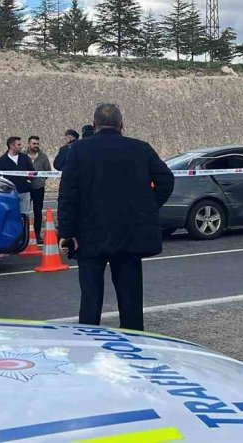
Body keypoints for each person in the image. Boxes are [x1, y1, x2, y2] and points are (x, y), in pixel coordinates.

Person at [57, 103, 174, 331]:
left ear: (94, 125)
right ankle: (134, 350)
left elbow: (67, 194)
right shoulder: (140, 148)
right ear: (122, 125)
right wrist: (147, 206)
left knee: (90, 300)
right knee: (131, 302)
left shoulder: (79, 150)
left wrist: (67, 233)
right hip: (129, 235)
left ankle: (88, 349)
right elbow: (166, 180)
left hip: (88, 235)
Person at [0, 136, 34, 216]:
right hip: (10, 194)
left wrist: (29, 181)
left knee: (25, 217)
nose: (21, 146)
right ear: (11, 146)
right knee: (11, 216)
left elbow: (32, 171)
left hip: (24, 192)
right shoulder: (2, 160)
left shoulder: (24, 157)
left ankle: (24, 229)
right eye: (19, 145)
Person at [26, 135, 51, 244]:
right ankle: (24, 235)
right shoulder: (22, 155)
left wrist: (40, 180)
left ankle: (37, 234)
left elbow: (47, 171)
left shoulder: (43, 156)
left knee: (38, 211)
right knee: (24, 212)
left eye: (37, 143)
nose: (36, 145)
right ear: (29, 144)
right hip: (25, 188)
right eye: (34, 143)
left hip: (39, 188)